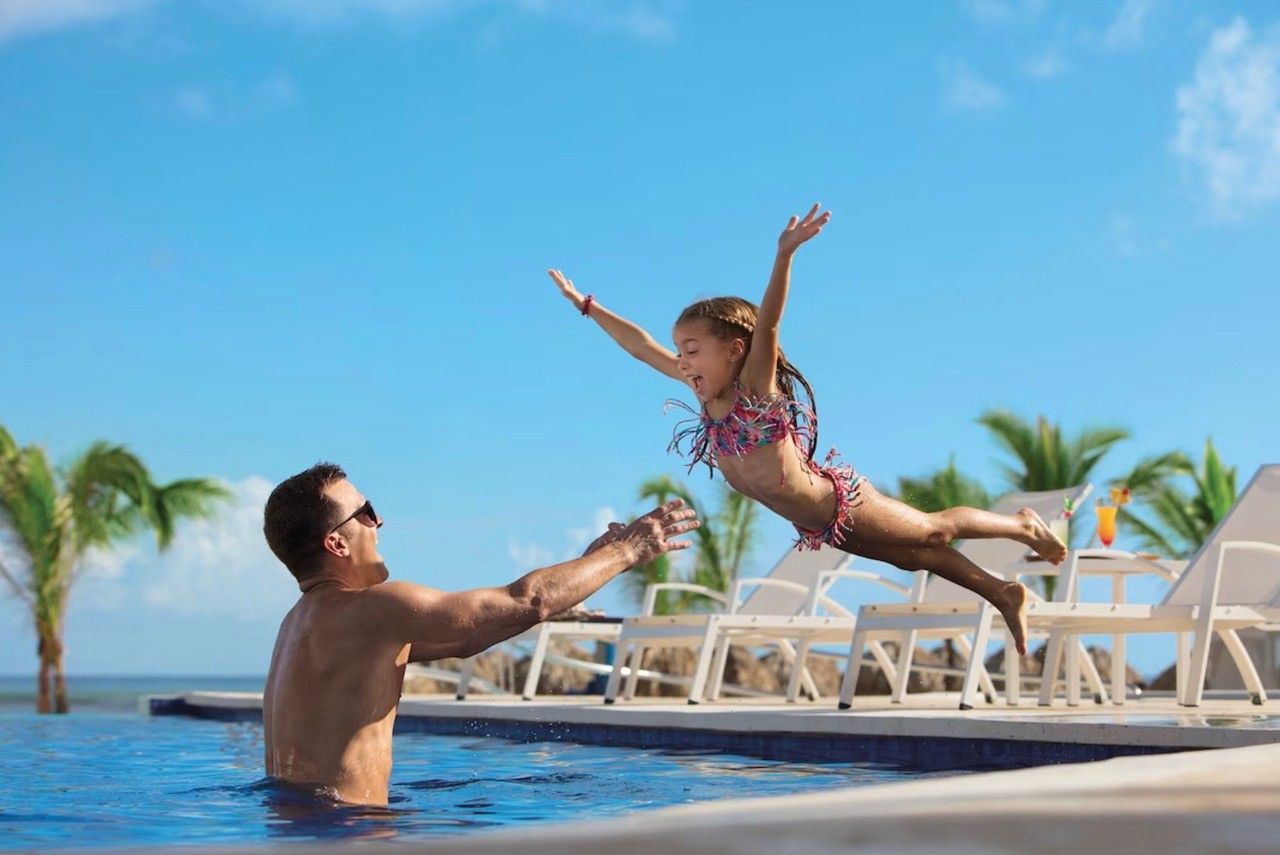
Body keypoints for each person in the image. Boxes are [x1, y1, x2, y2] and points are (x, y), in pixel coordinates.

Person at [546, 203, 1066, 656]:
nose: (682, 362)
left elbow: (767, 324)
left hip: (839, 501)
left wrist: (784, 256)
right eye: (679, 351)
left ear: (734, 351)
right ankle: (1002, 593)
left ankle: (1022, 525)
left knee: (934, 530)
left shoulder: (754, 389)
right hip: (818, 524)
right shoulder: (704, 393)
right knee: (918, 558)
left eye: (692, 350)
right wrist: (587, 306)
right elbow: (639, 345)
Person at [260, 462, 698, 806]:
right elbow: (523, 600)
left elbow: (471, 636)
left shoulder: (299, 626)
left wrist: (571, 593)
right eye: (366, 513)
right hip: (349, 829)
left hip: (296, 822)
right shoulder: (371, 609)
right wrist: (627, 551)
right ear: (337, 543)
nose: (380, 522)